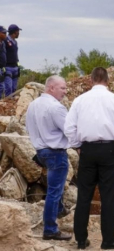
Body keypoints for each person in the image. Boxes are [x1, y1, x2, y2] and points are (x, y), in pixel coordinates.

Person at [64, 67, 114, 250]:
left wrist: (77, 146)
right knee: (108, 197)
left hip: (87, 150)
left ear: (91, 80)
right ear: (108, 81)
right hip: (109, 151)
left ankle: (80, 240)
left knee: (84, 196)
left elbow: (69, 128)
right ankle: (108, 240)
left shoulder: (79, 100)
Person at [25, 75, 72, 241]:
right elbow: (70, 130)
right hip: (55, 153)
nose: (65, 92)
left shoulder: (32, 105)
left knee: (54, 187)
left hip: (40, 152)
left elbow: (27, 127)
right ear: (51, 88)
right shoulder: (56, 107)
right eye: (63, 88)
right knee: (54, 191)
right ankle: (50, 229)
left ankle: (59, 209)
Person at [4, 24, 21, 96]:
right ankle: (7, 104)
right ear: (14, 32)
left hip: (15, 67)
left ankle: (12, 104)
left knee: (14, 88)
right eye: (18, 31)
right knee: (8, 88)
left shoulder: (15, 42)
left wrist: (18, 66)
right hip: (8, 67)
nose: (19, 33)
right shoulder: (5, 40)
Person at [0, 26, 7, 99]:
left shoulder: (3, 43)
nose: (5, 34)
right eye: (4, 33)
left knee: (2, 87)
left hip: (2, 68)